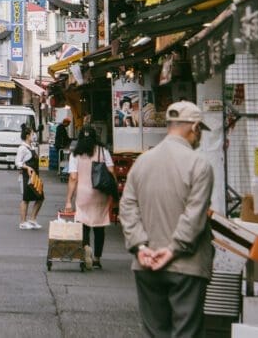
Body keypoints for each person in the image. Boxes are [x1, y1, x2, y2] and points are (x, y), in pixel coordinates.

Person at [119, 100, 214, 338]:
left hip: (146, 263)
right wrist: (173, 249)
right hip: (186, 266)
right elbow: (194, 214)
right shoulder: (199, 164)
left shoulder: (142, 161)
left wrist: (140, 246)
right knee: (186, 332)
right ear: (194, 127)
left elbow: (127, 206)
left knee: (154, 332)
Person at [63, 125, 114, 270]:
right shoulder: (103, 151)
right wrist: (112, 192)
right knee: (99, 225)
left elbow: (73, 178)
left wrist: (68, 200)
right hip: (101, 193)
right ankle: (97, 258)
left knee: (83, 223)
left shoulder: (75, 154)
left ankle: (86, 248)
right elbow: (111, 172)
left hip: (83, 193)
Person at [14, 123, 44, 229]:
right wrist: (27, 167)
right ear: (27, 135)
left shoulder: (30, 147)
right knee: (25, 199)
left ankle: (32, 219)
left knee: (40, 198)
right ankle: (22, 222)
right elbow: (17, 162)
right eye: (32, 134)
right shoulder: (22, 148)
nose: (34, 135)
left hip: (34, 177)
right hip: (26, 177)